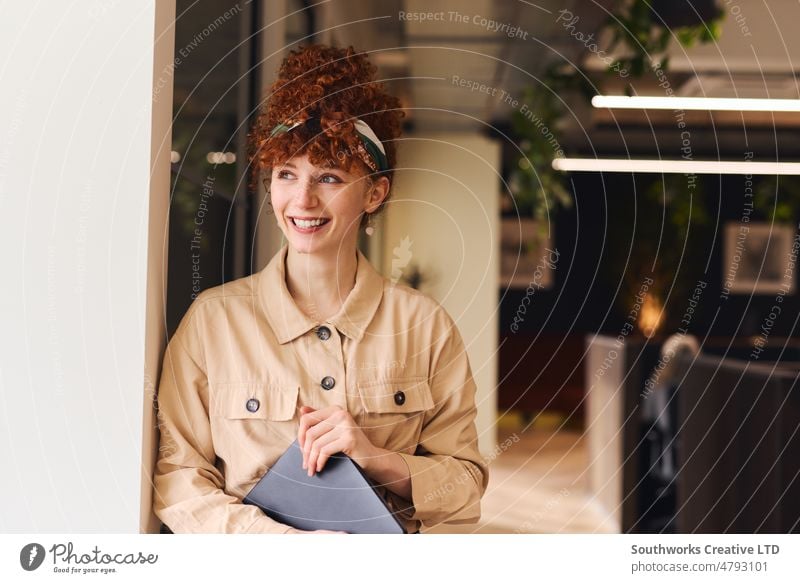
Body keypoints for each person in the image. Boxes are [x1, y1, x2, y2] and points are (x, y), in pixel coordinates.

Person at [152, 44, 488, 534]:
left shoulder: (424, 326)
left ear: (375, 192)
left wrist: (376, 458)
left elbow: (464, 486)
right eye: (286, 174)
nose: (302, 199)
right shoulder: (212, 322)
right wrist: (286, 548)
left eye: (328, 177)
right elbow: (178, 478)